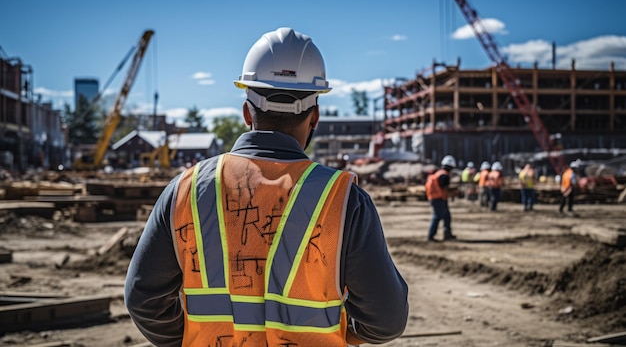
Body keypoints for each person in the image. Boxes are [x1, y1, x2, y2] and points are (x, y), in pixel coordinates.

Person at [124, 27, 408, 347]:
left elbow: (142, 298)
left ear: (247, 113)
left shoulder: (185, 191)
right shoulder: (344, 200)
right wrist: (340, 335)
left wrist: (193, 339)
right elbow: (386, 320)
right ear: (314, 117)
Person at [426, 155, 457, 241]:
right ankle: (431, 235)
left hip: (436, 198)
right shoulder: (444, 175)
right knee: (437, 216)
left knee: (447, 216)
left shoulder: (439, 173)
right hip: (439, 199)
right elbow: (444, 187)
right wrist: (452, 193)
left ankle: (447, 233)